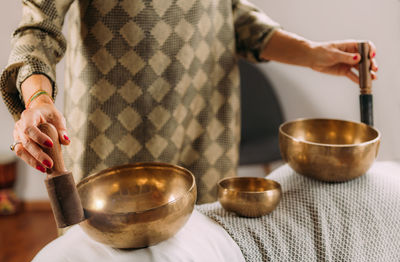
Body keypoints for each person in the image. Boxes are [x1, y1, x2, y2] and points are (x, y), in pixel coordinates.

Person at [1, 0, 378, 203]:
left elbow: (228, 12)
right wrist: (36, 98)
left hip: (206, 139)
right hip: (114, 150)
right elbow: (38, 28)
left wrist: (310, 53)